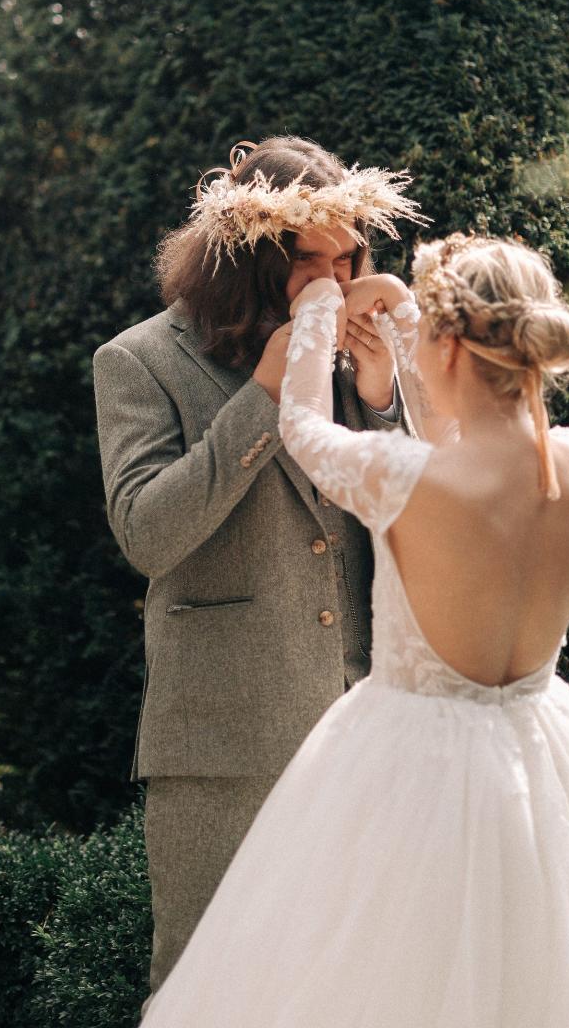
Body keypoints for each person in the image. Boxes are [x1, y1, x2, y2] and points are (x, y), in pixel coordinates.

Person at [137, 232, 569, 1028]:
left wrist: (315, 314)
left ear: (447, 346)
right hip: (545, 756)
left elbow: (302, 427)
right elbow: (462, 438)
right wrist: (408, 318)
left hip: (408, 765)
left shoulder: (403, 478)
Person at [92, 136, 425, 1005]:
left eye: (347, 257)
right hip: (224, 739)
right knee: (213, 987)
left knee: (364, 987)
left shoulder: (364, 349)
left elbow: (424, 518)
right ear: (244, 260)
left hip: (368, 723)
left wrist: (388, 394)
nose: (334, 279)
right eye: (305, 261)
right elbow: (146, 533)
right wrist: (265, 398)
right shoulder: (139, 360)